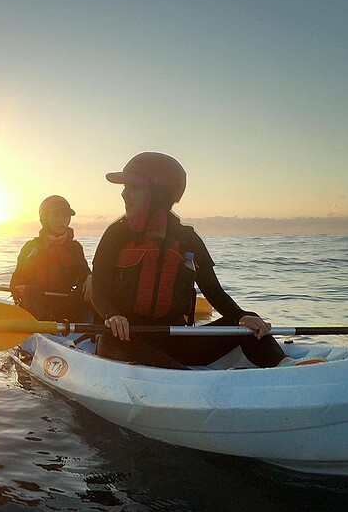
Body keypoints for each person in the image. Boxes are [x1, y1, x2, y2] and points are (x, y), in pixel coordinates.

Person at [90, 152, 286, 369]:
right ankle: (181, 375)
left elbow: (213, 291)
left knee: (249, 322)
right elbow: (97, 290)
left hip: (175, 337)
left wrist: (240, 316)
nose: (124, 194)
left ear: (159, 194)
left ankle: (287, 366)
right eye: (125, 187)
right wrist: (112, 315)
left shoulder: (187, 238)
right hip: (126, 338)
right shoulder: (116, 235)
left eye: (134, 187)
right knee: (108, 341)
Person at [10, 195, 93, 322]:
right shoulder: (30, 247)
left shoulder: (74, 248)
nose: (62, 220)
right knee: (30, 290)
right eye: (56, 216)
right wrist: (20, 290)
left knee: (88, 285)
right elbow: (15, 282)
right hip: (36, 308)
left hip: (66, 306)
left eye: (65, 216)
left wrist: (90, 277)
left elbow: (84, 273)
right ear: (44, 219)